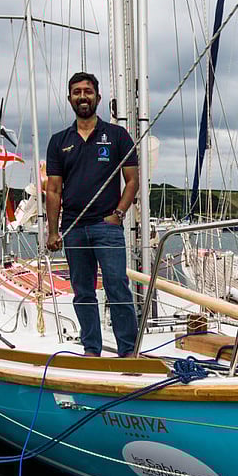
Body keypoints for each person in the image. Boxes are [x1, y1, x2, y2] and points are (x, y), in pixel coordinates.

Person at [45, 71, 139, 357]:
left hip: (106, 226)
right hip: (73, 229)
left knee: (117, 288)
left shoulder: (117, 136)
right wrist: (52, 231)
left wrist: (119, 214)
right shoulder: (59, 141)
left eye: (87, 91)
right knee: (83, 293)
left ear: (97, 97)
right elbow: (53, 190)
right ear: (70, 98)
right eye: (76, 92)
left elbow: (132, 180)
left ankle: (128, 352)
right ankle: (91, 351)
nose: (82, 96)